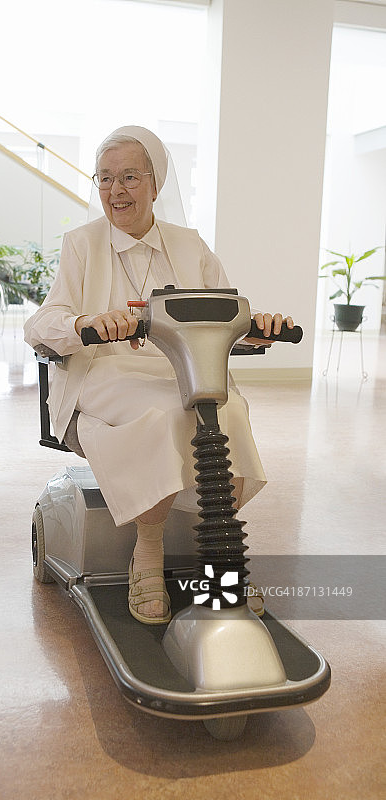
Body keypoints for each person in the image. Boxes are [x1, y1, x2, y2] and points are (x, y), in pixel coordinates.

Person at [24, 125, 293, 625]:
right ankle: (147, 547)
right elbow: (41, 321)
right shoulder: (81, 245)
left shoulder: (189, 246)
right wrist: (85, 322)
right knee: (165, 412)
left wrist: (260, 329)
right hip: (105, 372)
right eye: (104, 179)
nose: (115, 190)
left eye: (128, 177)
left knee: (226, 407)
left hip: (181, 368)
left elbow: (226, 312)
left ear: (155, 183)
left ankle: (222, 553)